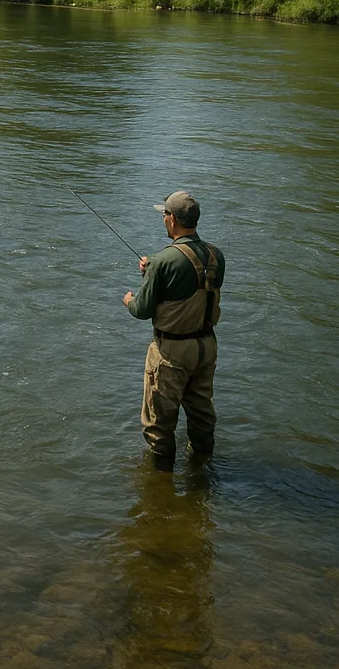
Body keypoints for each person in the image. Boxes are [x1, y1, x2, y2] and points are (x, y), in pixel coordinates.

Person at [122, 191, 225, 469]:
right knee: (202, 414)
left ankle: (161, 480)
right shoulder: (217, 256)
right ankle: (203, 471)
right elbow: (193, 285)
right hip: (206, 347)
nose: (164, 220)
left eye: (165, 215)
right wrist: (152, 272)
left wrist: (130, 299)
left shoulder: (163, 260)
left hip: (172, 352)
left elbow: (143, 310)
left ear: (172, 220)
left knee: (159, 422)